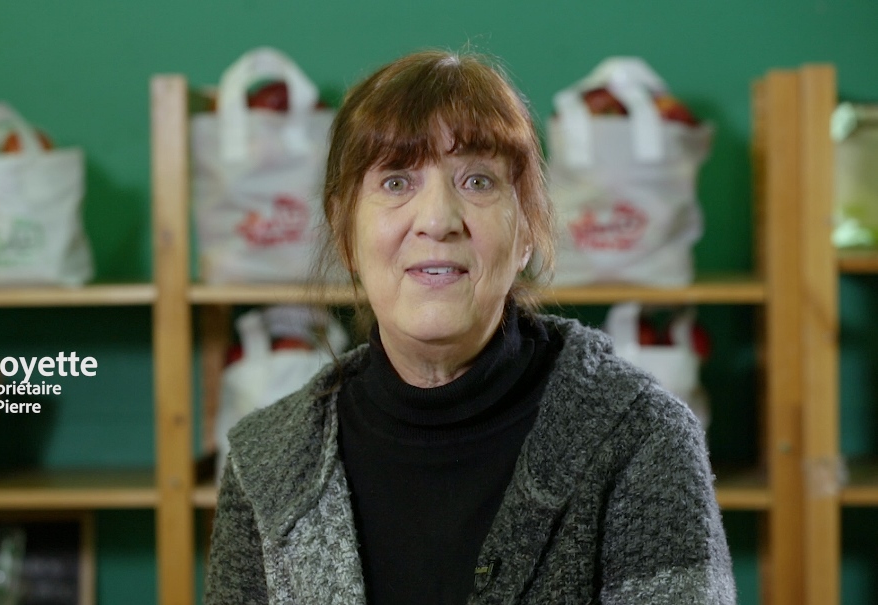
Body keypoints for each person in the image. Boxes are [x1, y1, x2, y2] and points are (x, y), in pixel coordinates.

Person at [205, 49, 735, 605]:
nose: (437, 220)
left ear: (527, 230)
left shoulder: (643, 439)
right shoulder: (264, 466)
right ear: (344, 234)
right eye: (396, 182)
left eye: (478, 181)